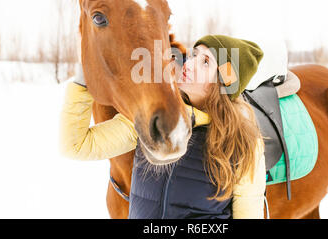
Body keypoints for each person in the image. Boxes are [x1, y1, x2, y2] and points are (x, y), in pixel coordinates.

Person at [60, 34, 266, 219]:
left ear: (223, 83)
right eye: (194, 55)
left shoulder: (242, 142)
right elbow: (77, 146)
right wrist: (82, 82)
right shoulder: (153, 117)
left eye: (205, 62)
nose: (189, 64)